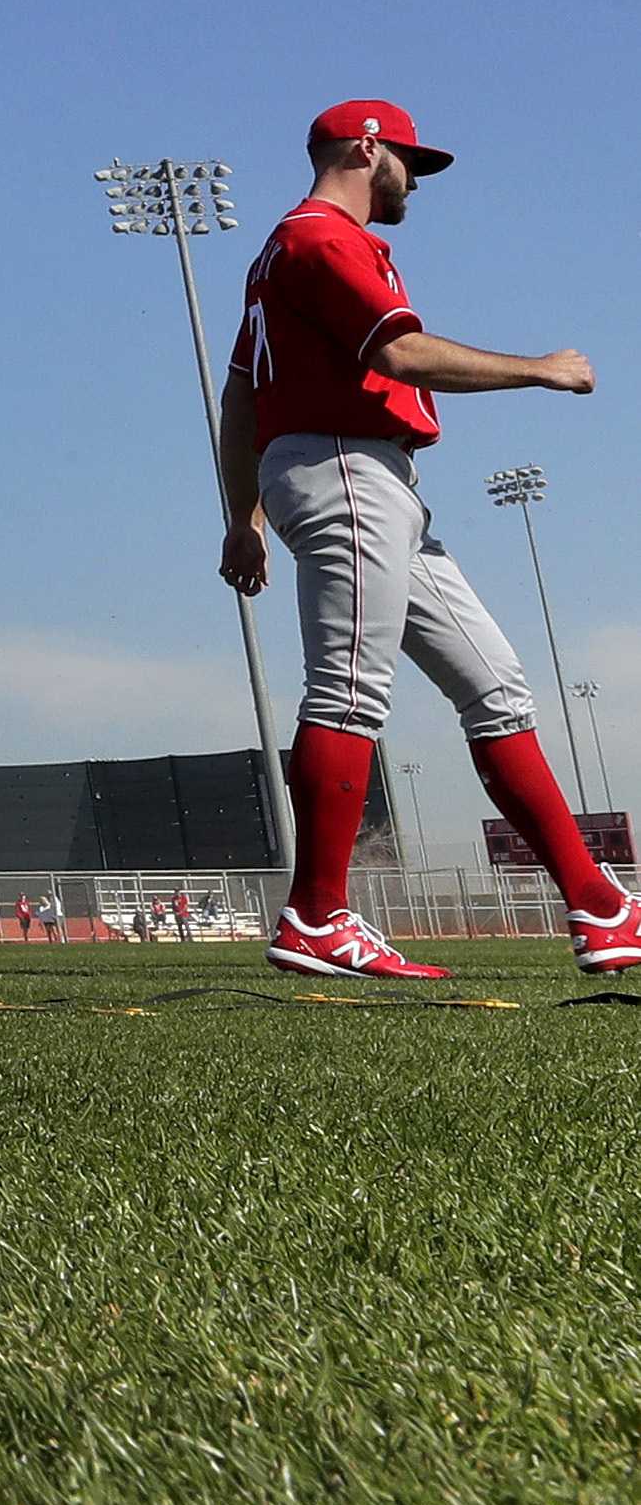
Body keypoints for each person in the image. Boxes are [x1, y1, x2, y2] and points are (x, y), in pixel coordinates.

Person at [220, 96, 634, 980]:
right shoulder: (320, 238)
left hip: (363, 477)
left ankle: (600, 907)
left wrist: (243, 517)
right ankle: (318, 915)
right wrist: (541, 371)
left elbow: (241, 400)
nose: (415, 179)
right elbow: (399, 356)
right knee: (348, 693)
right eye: (410, 160)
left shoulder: (288, 251)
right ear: (367, 148)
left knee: (496, 687)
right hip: (345, 469)